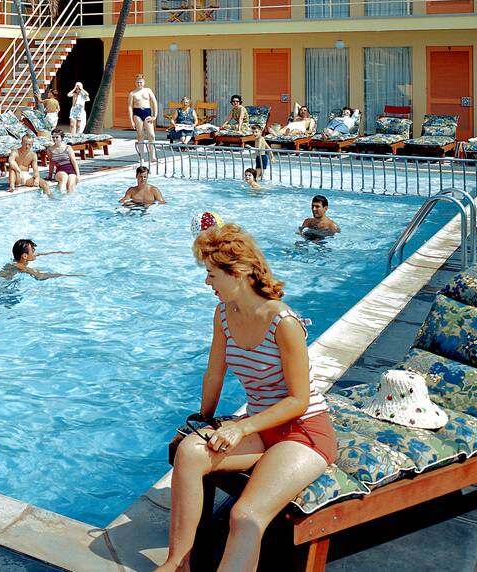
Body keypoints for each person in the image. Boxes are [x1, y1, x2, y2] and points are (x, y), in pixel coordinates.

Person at [153, 224, 337, 572]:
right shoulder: (224, 314)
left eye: (211, 274)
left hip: (303, 432)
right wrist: (202, 420)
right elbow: (214, 373)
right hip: (261, 428)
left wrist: (241, 427)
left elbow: (298, 400)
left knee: (245, 515)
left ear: (236, 273)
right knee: (190, 454)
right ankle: (178, 563)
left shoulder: (284, 323)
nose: (207, 282)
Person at [0, 238, 80, 280]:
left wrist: (60, 252)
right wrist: (63, 275)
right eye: (33, 251)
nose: (35, 253)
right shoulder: (20, 266)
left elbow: (40, 254)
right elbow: (39, 276)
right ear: (25, 256)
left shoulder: (20, 259)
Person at [128, 74, 159, 161]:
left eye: (141, 82)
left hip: (147, 113)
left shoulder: (148, 90)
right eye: (137, 82)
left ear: (144, 82)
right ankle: (141, 156)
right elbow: (130, 107)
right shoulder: (132, 93)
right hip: (137, 113)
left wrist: (155, 116)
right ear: (135, 83)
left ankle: (152, 156)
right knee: (140, 135)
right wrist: (131, 120)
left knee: (151, 135)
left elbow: (154, 102)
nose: (139, 84)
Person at [47, 128, 80, 194]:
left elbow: (74, 161)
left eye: (57, 137)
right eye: (53, 137)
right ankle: (62, 197)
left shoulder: (68, 148)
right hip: (60, 170)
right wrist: (50, 175)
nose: (54, 139)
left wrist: (78, 175)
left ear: (61, 138)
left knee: (71, 183)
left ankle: (69, 200)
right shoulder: (50, 150)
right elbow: (51, 163)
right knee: (64, 178)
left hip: (71, 170)